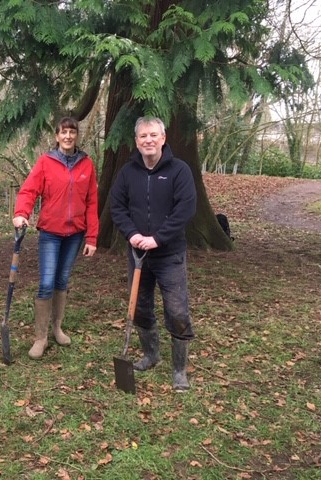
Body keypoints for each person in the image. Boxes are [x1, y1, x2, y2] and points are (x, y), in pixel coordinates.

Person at [109, 116, 196, 392]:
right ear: (136, 141)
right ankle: (151, 354)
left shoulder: (179, 171)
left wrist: (158, 238)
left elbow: (186, 208)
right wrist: (133, 235)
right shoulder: (127, 172)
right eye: (143, 136)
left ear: (163, 139)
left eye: (153, 135)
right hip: (137, 254)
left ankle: (179, 370)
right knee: (141, 307)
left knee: (177, 311)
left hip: (169, 254)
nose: (148, 140)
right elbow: (117, 206)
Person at [12, 117, 99, 360]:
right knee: (47, 282)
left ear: (77, 136)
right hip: (50, 232)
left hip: (75, 234)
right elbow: (29, 190)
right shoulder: (46, 162)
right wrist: (21, 214)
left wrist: (91, 237)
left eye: (72, 132)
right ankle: (40, 337)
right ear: (57, 136)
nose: (68, 136)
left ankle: (57, 328)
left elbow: (92, 202)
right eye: (64, 132)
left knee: (62, 280)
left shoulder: (87, 165)